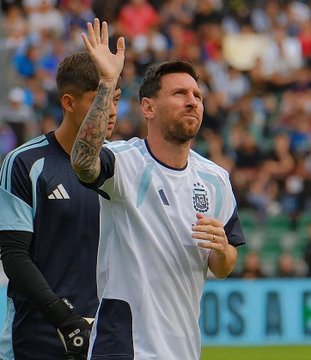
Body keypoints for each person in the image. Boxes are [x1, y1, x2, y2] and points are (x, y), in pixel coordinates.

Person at [71, 19, 245, 360]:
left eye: (197, 94)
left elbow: (224, 266)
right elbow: (82, 162)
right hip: (123, 347)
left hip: (184, 350)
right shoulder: (124, 163)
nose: (192, 101)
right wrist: (108, 82)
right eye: (179, 93)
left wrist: (222, 249)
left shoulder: (216, 180)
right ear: (148, 108)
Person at [0, 51, 121, 360]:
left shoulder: (120, 166)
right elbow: (14, 256)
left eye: (115, 99)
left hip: (100, 342)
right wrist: (66, 321)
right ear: (68, 103)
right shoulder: (25, 163)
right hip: (34, 341)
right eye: (100, 99)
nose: (111, 111)